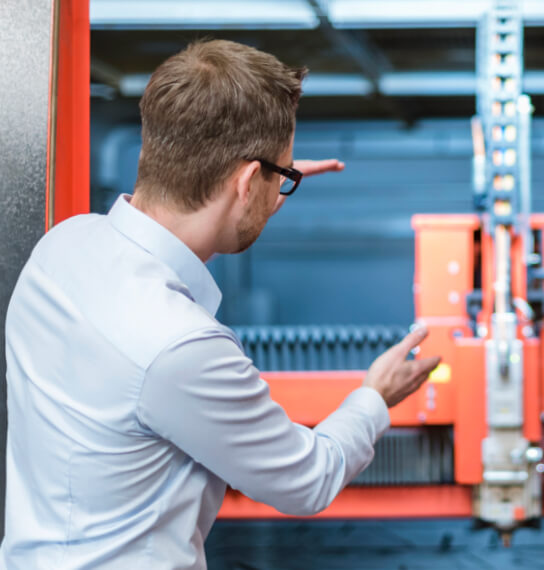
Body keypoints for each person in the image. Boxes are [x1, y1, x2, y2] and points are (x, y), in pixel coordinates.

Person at [1, 40, 440, 569]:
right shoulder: (181, 345)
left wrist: (261, 180)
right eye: (281, 178)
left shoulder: (61, 247)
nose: (283, 187)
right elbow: (307, 480)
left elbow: (210, 170)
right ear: (246, 182)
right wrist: (375, 397)